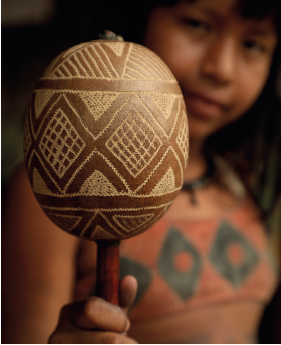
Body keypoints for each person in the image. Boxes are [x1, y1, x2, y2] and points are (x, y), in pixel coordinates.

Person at [2, 0, 281, 343]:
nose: (220, 68)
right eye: (197, 24)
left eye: (253, 44)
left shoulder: (240, 178)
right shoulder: (59, 186)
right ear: (140, 14)